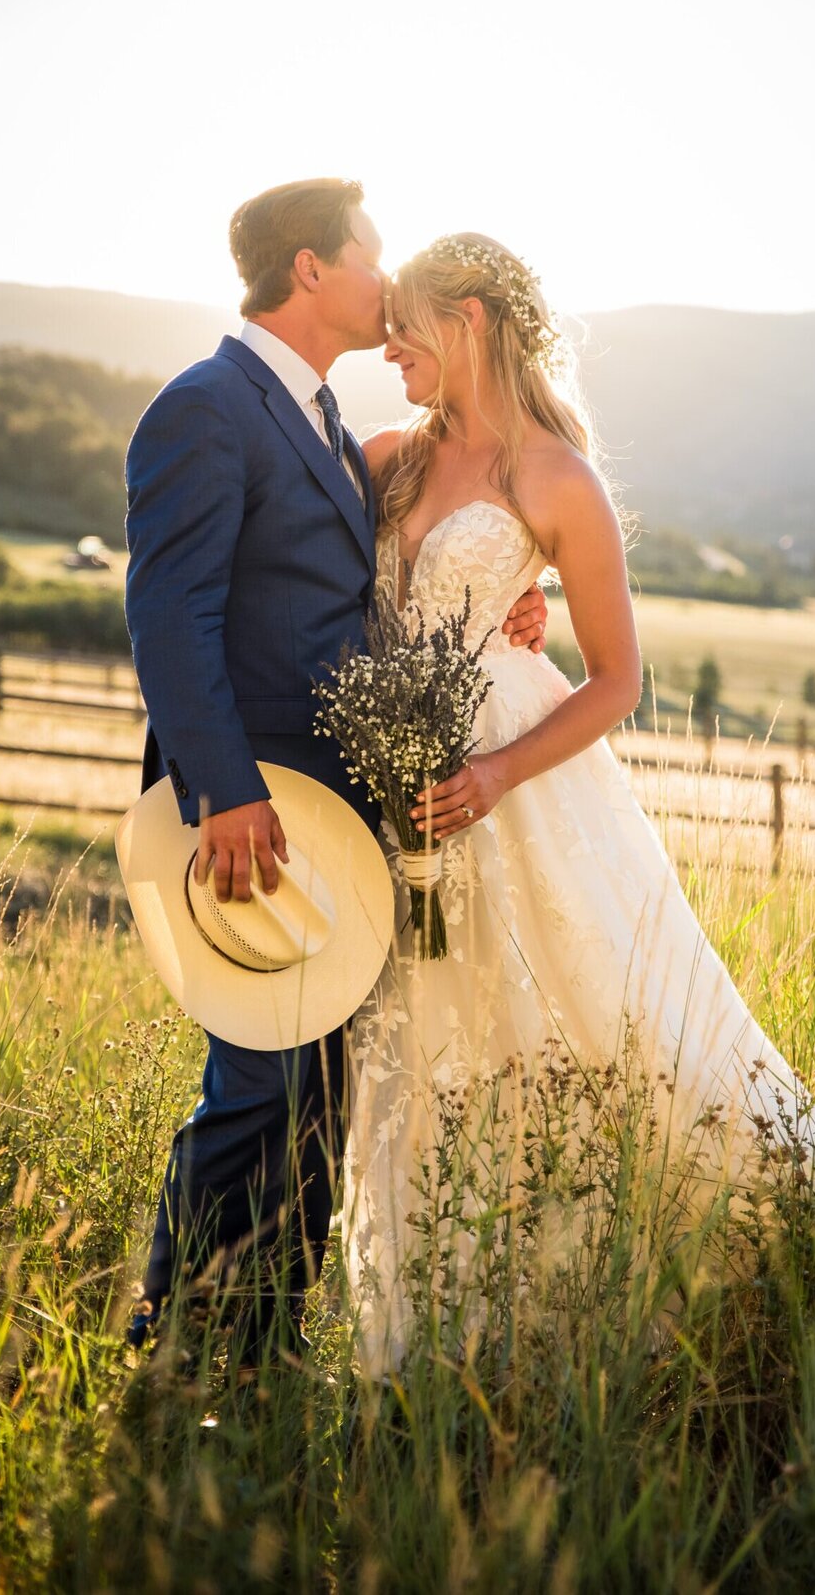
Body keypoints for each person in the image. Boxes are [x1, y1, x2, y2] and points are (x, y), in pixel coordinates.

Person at [340, 231, 815, 1378]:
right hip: (389, 775)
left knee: (616, 1032)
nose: (388, 344)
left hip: (511, 784)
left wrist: (498, 774)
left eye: (407, 322)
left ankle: (792, 1293)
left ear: (470, 321)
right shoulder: (386, 458)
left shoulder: (557, 477)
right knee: (426, 1038)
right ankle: (443, 1334)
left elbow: (616, 681)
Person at [121, 183, 549, 1359]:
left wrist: (514, 594)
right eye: (372, 260)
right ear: (311, 269)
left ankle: (259, 1343)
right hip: (256, 814)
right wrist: (227, 792)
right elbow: (170, 621)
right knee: (258, 1084)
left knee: (322, 1098)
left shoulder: (326, 424)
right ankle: (173, 1338)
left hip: (347, 816)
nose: (385, 284)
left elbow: (383, 578)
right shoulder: (204, 408)